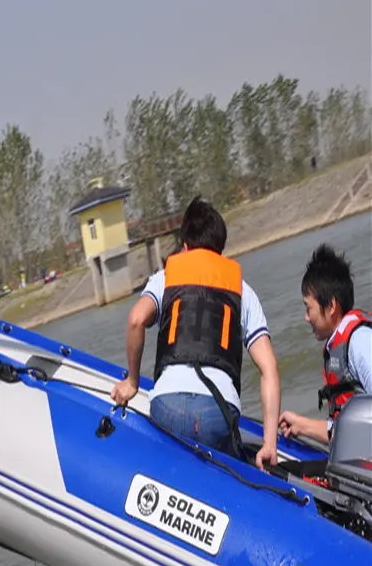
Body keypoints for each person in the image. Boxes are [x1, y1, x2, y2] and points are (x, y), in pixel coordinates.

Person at [110, 196, 280, 469]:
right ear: (220, 250)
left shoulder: (165, 278)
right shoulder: (243, 291)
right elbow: (269, 367)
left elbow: (135, 319)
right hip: (217, 411)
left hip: (167, 405)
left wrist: (132, 382)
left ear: (185, 246)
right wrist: (270, 444)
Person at [278, 244, 372, 445]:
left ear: (330, 306)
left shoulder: (359, 343)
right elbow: (341, 432)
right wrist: (301, 425)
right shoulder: (340, 348)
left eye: (308, 307)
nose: (306, 317)